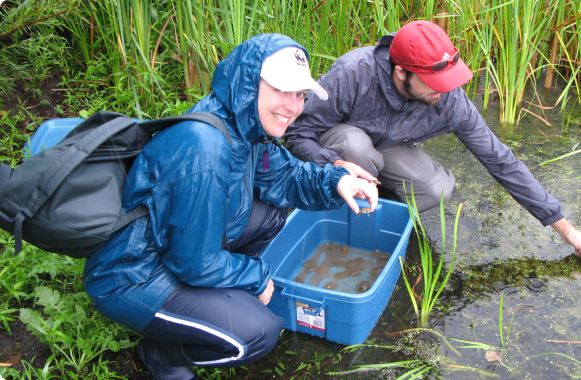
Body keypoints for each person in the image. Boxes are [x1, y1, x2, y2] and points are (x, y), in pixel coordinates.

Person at [82, 34, 378, 380]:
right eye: (281, 90)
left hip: (176, 248)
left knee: (272, 214)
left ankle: (216, 303)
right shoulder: (204, 148)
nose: (293, 106)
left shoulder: (247, 127)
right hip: (133, 274)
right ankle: (162, 354)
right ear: (250, 84)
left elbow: (287, 177)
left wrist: (336, 181)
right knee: (256, 334)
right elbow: (194, 262)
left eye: (299, 94)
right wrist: (255, 278)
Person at [284, 21, 581, 269]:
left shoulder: (449, 100)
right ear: (401, 72)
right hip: (340, 147)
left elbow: (500, 160)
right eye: (435, 83)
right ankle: (340, 212)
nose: (444, 91)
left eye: (448, 80)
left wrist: (565, 229)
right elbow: (296, 135)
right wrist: (335, 166)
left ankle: (379, 204)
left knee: (435, 188)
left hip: (387, 148)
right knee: (355, 146)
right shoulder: (353, 73)